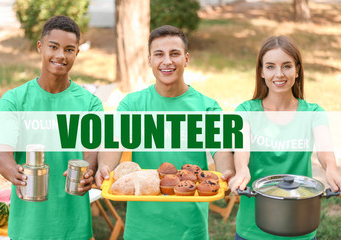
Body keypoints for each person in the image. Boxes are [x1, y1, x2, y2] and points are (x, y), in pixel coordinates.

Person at [95, 25, 235, 240]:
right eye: (159, 54)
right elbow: (113, 143)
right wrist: (104, 167)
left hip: (191, 228)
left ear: (186, 59)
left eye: (175, 54)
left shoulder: (207, 107)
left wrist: (226, 173)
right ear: (150, 60)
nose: (167, 61)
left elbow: (222, 150)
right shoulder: (133, 104)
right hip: (142, 227)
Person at [0, 16, 103, 240]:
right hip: (28, 225)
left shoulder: (90, 103)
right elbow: (3, 154)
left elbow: (91, 153)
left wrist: (86, 173)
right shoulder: (14, 100)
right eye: (53, 47)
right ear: (40, 47)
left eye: (69, 49)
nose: (61, 55)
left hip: (74, 224)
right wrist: (16, 174)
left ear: (76, 53)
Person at [228, 35, 341, 240]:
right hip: (252, 230)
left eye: (286, 66)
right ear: (261, 72)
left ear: (297, 70)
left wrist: (331, 169)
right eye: (270, 66)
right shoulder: (245, 110)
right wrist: (242, 170)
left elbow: (325, 151)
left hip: (299, 228)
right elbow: (241, 150)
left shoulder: (314, 112)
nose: (278, 74)